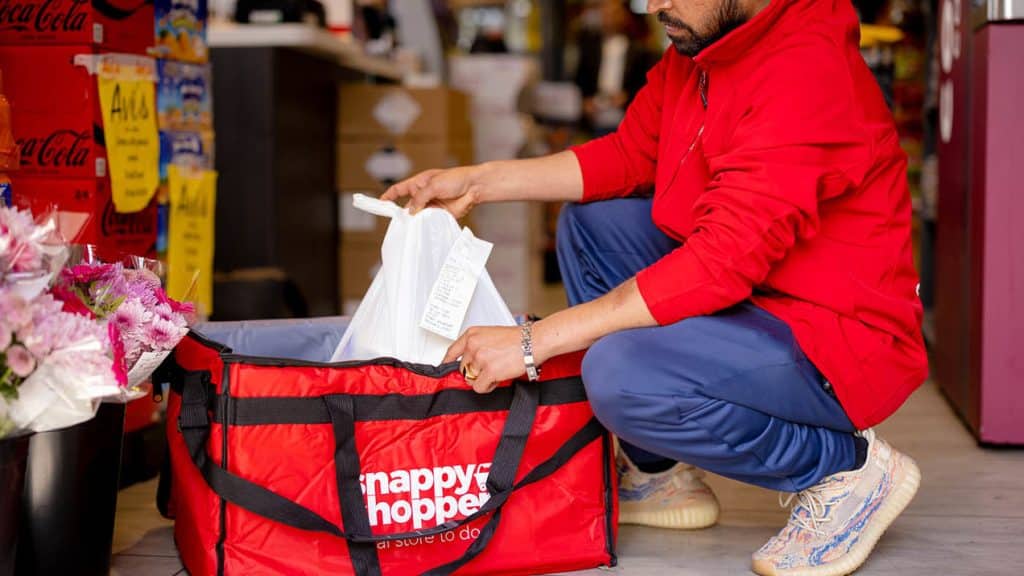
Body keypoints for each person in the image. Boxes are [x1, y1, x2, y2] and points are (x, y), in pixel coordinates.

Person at [382, 1, 928, 574]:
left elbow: (719, 263)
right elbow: (630, 155)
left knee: (621, 374)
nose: (653, 4)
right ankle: (660, 475)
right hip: (759, 291)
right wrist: (479, 181)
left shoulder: (807, 72)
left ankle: (844, 470)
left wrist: (531, 343)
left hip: (833, 335)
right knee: (594, 226)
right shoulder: (703, 46)